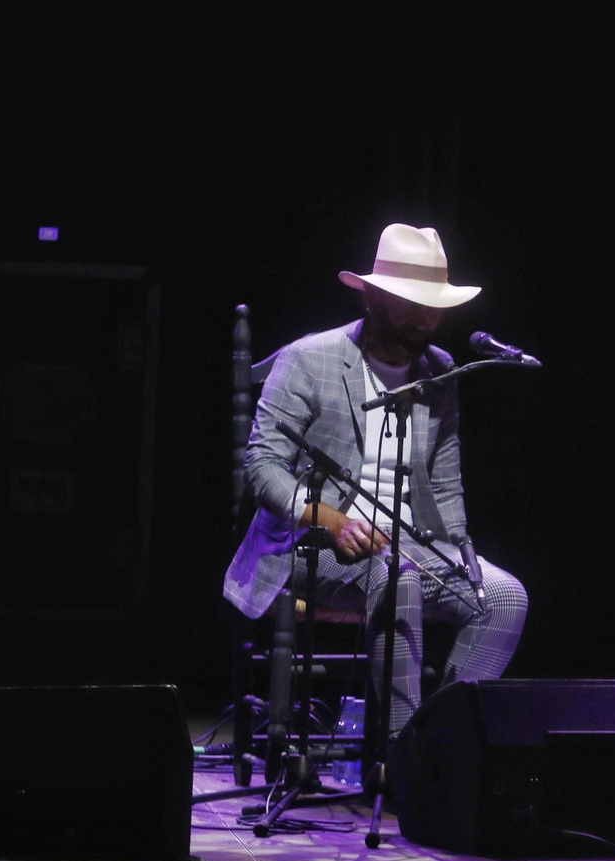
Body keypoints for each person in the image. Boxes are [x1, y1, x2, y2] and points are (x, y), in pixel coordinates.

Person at [225, 223, 528, 744]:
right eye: (411, 301)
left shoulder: (439, 370)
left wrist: (464, 559)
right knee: (398, 577)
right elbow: (262, 466)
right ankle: (400, 757)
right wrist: (331, 519)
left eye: (434, 303)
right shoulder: (309, 359)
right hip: (309, 543)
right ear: (372, 295)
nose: (426, 315)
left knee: (505, 598)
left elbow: (446, 483)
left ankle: (440, 747)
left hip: (411, 546)